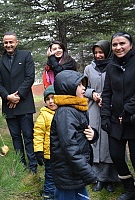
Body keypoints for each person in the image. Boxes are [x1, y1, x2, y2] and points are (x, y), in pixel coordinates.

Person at [50, 70, 97, 200]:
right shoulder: (66, 112)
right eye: (79, 85)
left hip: (75, 171)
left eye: (84, 85)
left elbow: (80, 135)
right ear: (68, 88)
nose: (84, 88)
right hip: (68, 172)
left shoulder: (76, 108)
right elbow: (69, 147)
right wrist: (87, 172)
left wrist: (93, 134)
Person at [0, 31, 37, 173]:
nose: (8, 45)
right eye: (6, 42)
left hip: (24, 104)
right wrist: (8, 97)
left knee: (28, 136)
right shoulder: (0, 62)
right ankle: (21, 165)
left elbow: (29, 77)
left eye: (11, 42)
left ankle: (32, 166)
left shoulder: (26, 56)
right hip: (9, 106)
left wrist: (17, 96)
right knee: (15, 137)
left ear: (16, 42)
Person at [101, 32, 135, 200]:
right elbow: (107, 93)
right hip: (115, 120)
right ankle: (130, 189)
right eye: (114, 45)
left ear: (131, 45)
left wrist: (128, 110)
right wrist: (105, 117)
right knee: (116, 156)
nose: (118, 47)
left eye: (122, 43)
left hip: (132, 118)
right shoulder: (111, 66)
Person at [84, 40, 119, 193]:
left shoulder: (114, 66)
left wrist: (108, 99)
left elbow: (119, 87)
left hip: (111, 109)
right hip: (93, 109)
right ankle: (97, 178)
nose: (98, 55)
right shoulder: (88, 68)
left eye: (101, 52)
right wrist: (93, 94)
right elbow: (82, 87)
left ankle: (111, 178)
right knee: (95, 142)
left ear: (107, 52)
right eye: (95, 53)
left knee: (109, 142)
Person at [33, 85, 57, 200]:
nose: (51, 101)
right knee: (50, 177)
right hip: (49, 154)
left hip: (62, 154)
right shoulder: (44, 115)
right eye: (48, 99)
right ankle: (48, 195)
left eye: (53, 98)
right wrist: (38, 151)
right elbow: (38, 134)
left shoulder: (63, 112)